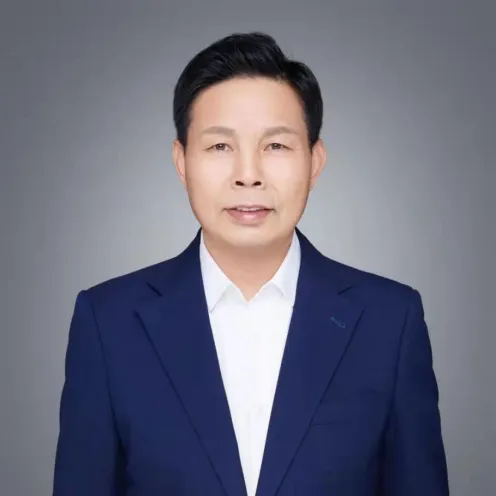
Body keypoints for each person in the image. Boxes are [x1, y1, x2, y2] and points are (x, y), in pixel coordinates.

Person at [52, 32, 449, 496]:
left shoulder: (389, 321)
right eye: (220, 147)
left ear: (314, 161)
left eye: (275, 146)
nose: (248, 175)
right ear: (182, 161)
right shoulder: (109, 322)